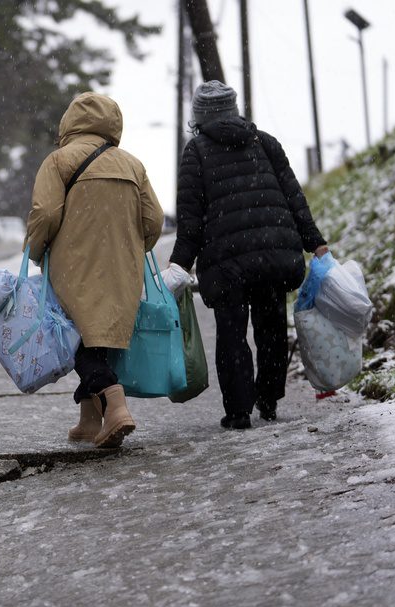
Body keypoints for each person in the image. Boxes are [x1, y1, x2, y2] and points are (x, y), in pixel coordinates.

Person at [163, 81, 329, 430]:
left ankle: (238, 411)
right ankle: (268, 399)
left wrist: (180, 262)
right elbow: (294, 197)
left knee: (232, 333)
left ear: (199, 116)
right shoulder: (264, 142)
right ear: (233, 110)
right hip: (273, 251)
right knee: (271, 328)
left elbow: (191, 218)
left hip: (227, 262)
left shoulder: (196, 152)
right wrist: (315, 241)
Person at [26, 92, 164, 447]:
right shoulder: (132, 165)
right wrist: (132, 249)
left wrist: (36, 250)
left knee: (75, 340)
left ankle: (115, 405)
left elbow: (46, 214)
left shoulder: (58, 162)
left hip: (73, 267)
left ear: (69, 124)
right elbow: (154, 220)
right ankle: (89, 419)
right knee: (97, 338)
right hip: (121, 269)